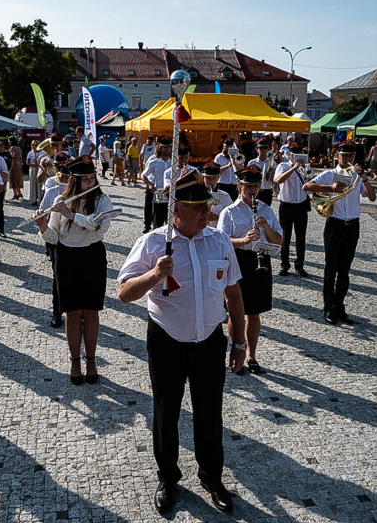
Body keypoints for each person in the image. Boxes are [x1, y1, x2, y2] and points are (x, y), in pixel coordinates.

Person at [117, 171, 246, 515]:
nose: (206, 212)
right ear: (176, 208)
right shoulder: (153, 243)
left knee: (209, 413)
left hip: (209, 340)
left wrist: (240, 343)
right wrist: (154, 274)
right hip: (167, 339)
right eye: (197, 206)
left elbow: (233, 293)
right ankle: (168, 478)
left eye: (207, 206)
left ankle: (212, 476)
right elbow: (124, 293)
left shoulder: (219, 241)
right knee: (166, 413)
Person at [36, 156, 113, 384]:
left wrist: (71, 214)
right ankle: (75, 362)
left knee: (91, 311)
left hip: (92, 256)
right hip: (66, 258)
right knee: (72, 312)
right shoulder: (61, 199)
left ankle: (91, 360)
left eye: (92, 178)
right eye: (85, 179)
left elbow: (99, 227)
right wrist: (42, 226)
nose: (90, 183)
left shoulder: (102, 200)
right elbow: (54, 236)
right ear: (74, 181)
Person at [303, 141, 377, 325]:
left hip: (352, 225)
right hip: (334, 224)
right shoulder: (330, 174)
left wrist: (364, 177)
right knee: (331, 269)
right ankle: (328, 307)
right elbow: (307, 187)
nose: (348, 159)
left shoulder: (357, 177)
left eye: (351, 156)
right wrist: (331, 189)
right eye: (345, 156)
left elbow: (373, 197)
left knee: (345, 270)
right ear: (338, 156)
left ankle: (340, 306)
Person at [218, 165, 282, 375]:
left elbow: (279, 240)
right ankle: (237, 349)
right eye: (248, 187)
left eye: (256, 186)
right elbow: (222, 241)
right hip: (238, 259)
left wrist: (266, 228)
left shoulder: (265, 209)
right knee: (234, 311)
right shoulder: (229, 211)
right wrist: (243, 240)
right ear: (239, 186)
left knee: (254, 312)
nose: (253, 190)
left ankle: (252, 355)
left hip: (260, 259)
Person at [36, 158, 72, 328]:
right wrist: (42, 219)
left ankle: (75, 312)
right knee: (57, 277)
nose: (65, 181)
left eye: (68, 178)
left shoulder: (78, 193)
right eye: (62, 177)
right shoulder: (51, 191)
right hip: (54, 234)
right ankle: (57, 313)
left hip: (72, 236)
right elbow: (42, 209)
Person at [273, 147, 311, 277]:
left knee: (301, 237)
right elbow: (279, 180)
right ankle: (285, 265)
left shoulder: (306, 167)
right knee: (285, 237)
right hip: (286, 206)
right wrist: (294, 167)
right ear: (290, 155)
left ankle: (299, 265)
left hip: (301, 206)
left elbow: (310, 182)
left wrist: (308, 173)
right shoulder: (282, 166)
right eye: (296, 155)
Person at [141, 138, 172, 229]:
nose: (166, 149)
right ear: (160, 148)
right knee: (157, 217)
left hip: (170, 192)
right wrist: (150, 184)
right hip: (157, 191)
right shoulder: (153, 162)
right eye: (164, 147)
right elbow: (143, 175)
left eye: (168, 147)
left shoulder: (174, 162)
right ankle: (148, 225)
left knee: (169, 218)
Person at [247, 139, 275, 205]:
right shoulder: (252, 163)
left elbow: (274, 179)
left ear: (268, 150)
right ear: (257, 150)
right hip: (255, 190)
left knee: (266, 211)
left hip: (267, 190)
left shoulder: (272, 162)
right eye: (261, 148)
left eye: (265, 148)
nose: (263, 150)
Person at [26, 139, 43, 206]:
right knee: (33, 183)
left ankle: (40, 199)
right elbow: (27, 162)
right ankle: (33, 199)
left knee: (40, 184)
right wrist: (33, 164)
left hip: (40, 168)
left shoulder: (42, 153)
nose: (34, 146)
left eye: (36, 145)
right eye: (33, 145)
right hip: (33, 168)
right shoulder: (30, 153)